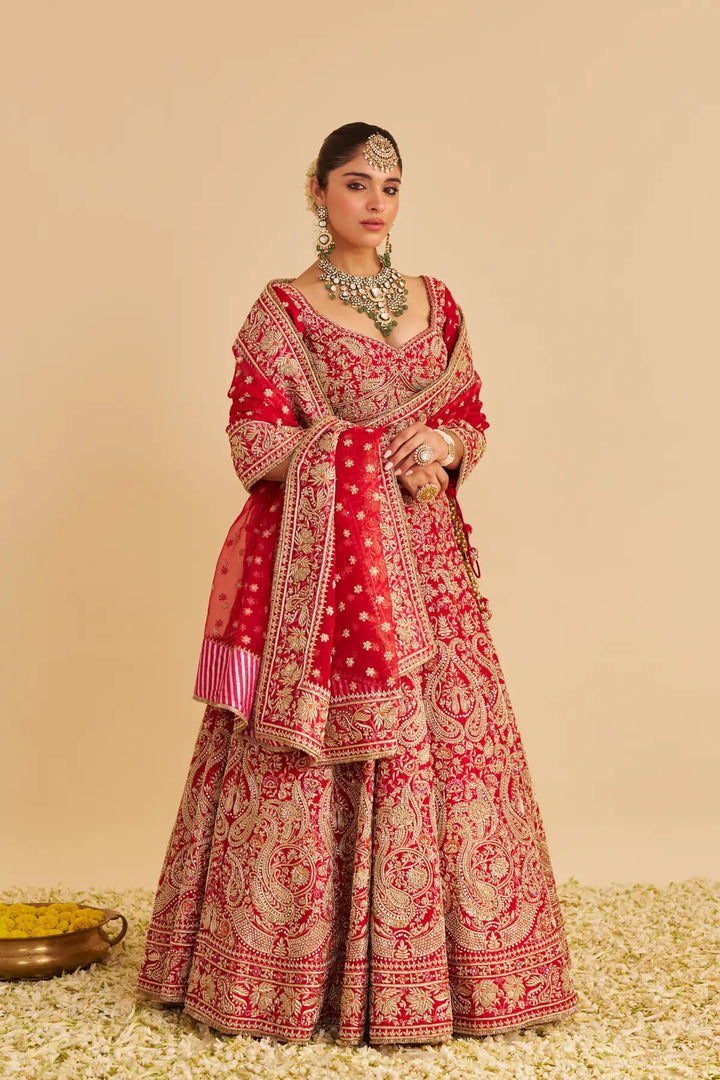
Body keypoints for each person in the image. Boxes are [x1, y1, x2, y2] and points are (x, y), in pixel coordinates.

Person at [136, 123, 579, 1046]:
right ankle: (282, 977)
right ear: (318, 192)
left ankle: (458, 976)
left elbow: (468, 417)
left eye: (390, 184)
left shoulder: (440, 302)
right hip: (325, 572)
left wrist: (452, 444)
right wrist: (367, 449)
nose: (376, 201)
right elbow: (253, 446)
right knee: (300, 761)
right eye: (355, 182)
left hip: (428, 562)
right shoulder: (280, 312)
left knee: (452, 745)